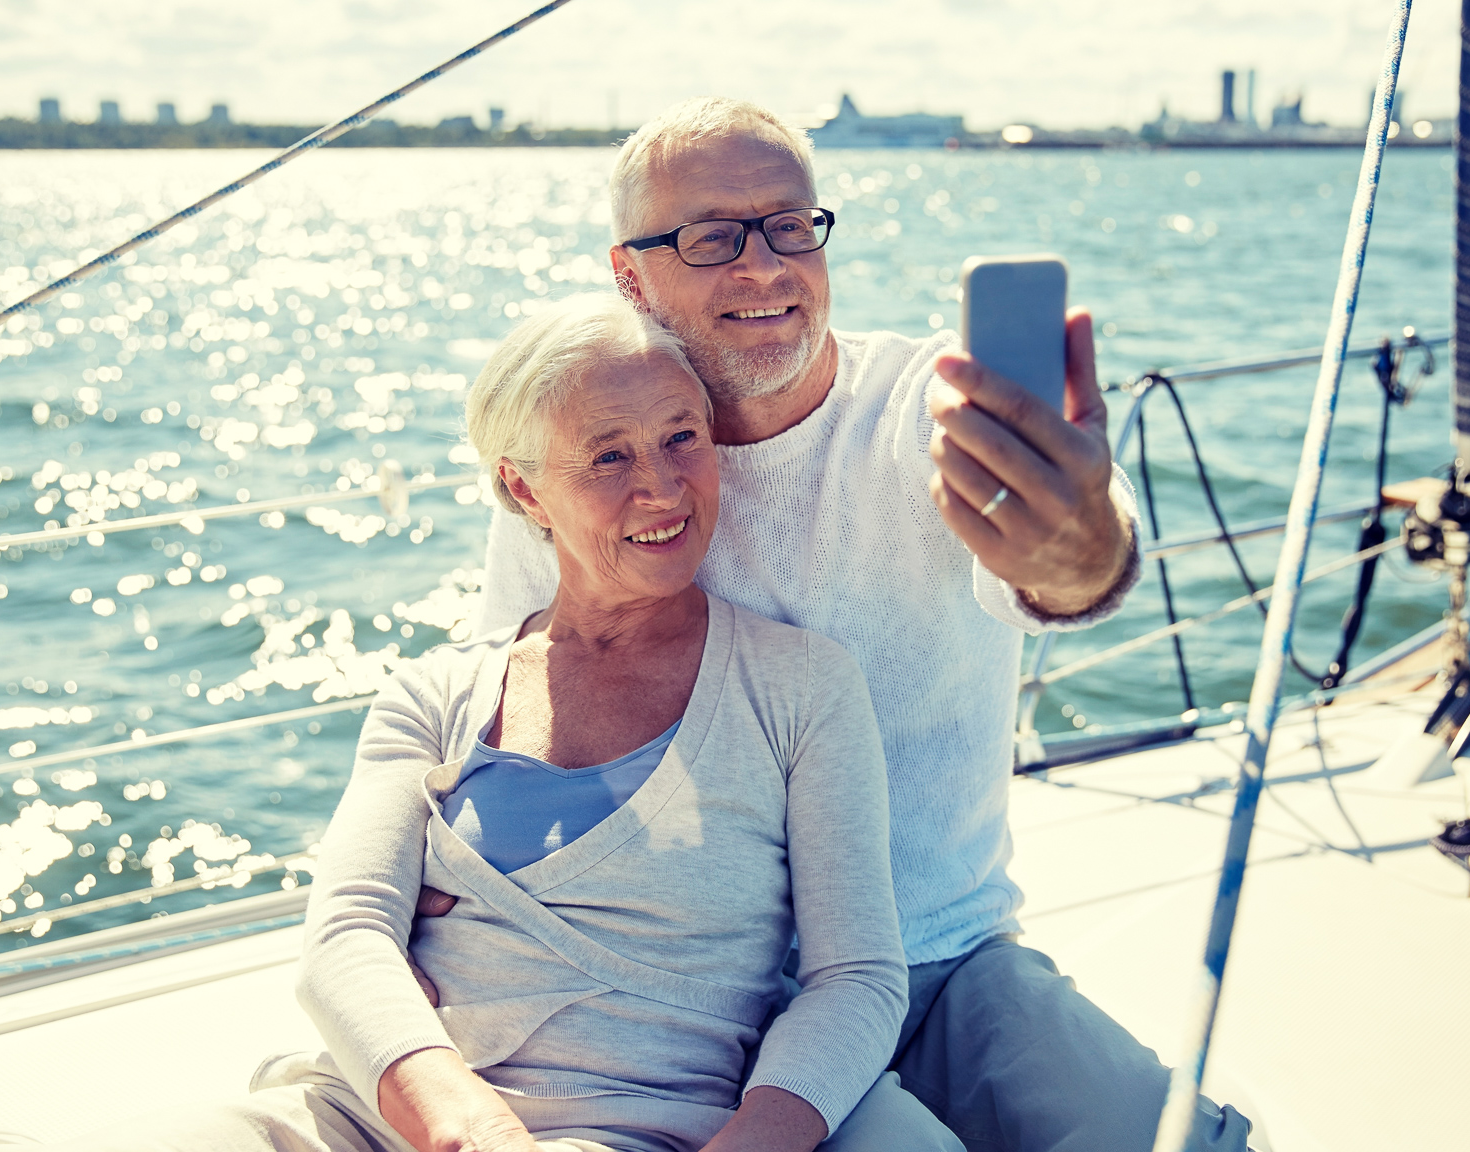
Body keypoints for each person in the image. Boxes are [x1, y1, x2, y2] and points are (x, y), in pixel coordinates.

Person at [429, 98, 1254, 1151]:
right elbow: (511, 706)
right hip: (700, 991)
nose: (764, 266)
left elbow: (1073, 572)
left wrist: (1078, 550)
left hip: (943, 955)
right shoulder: (588, 466)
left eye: (789, 224)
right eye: (711, 237)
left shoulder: (930, 415)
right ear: (629, 277)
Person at [52, 294, 958, 1152]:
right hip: (385, 1119)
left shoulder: (800, 686)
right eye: (608, 456)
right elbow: (345, 938)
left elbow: (855, 979)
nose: (663, 486)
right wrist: (470, 1130)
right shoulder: (434, 693)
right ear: (524, 493)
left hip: (637, 1127)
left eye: (683, 437)